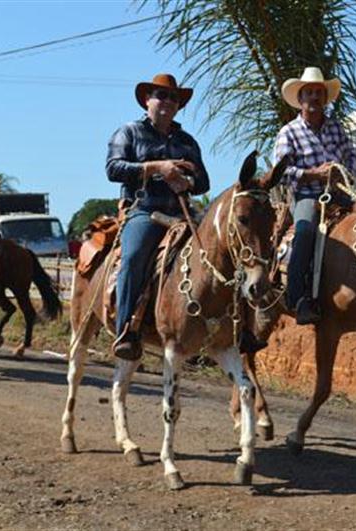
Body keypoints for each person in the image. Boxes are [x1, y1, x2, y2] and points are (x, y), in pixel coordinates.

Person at [106, 73, 209, 359]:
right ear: (147, 100)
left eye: (173, 98)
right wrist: (157, 167)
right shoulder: (129, 132)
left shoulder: (187, 141)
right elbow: (113, 169)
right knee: (134, 256)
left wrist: (188, 181)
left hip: (181, 214)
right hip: (145, 210)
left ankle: (217, 328)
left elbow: (204, 182)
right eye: (161, 95)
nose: (168, 101)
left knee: (213, 253)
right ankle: (126, 329)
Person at [273, 67, 356, 325]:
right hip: (307, 196)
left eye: (319, 92)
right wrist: (314, 175)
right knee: (305, 231)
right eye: (309, 92)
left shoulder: (336, 128)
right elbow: (281, 172)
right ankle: (298, 298)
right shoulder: (289, 132)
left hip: (339, 194)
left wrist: (343, 173)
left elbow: (351, 156)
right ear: (300, 99)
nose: (314, 97)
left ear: (325, 98)